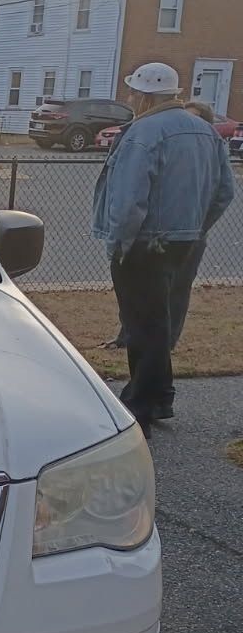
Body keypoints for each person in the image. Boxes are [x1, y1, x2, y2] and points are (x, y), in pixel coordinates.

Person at [92, 62, 234, 434]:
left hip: (144, 242)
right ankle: (160, 397)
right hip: (185, 241)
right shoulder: (207, 131)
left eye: (132, 91)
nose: (129, 98)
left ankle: (139, 405)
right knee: (159, 320)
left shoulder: (143, 133)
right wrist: (196, 228)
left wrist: (118, 243)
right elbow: (224, 191)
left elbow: (128, 201)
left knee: (142, 325)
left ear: (144, 95)